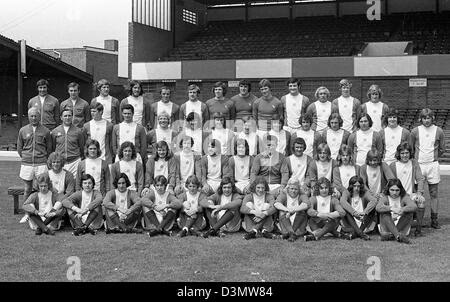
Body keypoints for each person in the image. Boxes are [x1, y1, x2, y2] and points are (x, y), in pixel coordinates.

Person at [410, 108, 445, 229]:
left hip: (432, 165)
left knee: (434, 193)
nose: (426, 120)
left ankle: (434, 219)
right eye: (424, 118)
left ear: (432, 118)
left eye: (429, 118)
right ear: (420, 119)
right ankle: (415, 218)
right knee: (416, 193)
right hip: (418, 164)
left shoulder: (439, 131)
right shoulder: (415, 131)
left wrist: (434, 158)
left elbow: (442, 149)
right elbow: (411, 148)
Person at [390, 142, 426, 236]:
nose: (405, 155)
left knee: (421, 201)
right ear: (398, 154)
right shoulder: (393, 165)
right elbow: (391, 184)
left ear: (410, 153)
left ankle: (418, 229)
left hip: (411, 194)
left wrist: (419, 193)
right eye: (402, 153)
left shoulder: (414, 163)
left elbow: (420, 178)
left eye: (407, 153)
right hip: (398, 195)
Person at [17, 108, 52, 200]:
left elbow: (49, 148)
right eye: (31, 116)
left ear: (39, 117)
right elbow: (19, 148)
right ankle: (27, 212)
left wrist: (43, 158)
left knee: (41, 188)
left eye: (35, 116)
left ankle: (41, 210)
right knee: (27, 189)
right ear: (28, 117)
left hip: (41, 163)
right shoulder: (23, 130)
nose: (34, 118)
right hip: (27, 164)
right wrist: (25, 157)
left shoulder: (46, 131)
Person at [376, 179, 417, 244]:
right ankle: (398, 236)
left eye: (397, 190)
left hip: (401, 226)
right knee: (384, 213)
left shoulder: (404, 197)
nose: (394, 193)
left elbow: (414, 206)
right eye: (392, 190)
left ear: (400, 190)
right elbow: (378, 207)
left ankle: (392, 236)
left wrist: (402, 209)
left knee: (409, 213)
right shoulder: (384, 197)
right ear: (388, 189)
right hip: (387, 225)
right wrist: (391, 208)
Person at [304, 177, 346, 241]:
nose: (324, 190)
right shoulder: (313, 198)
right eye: (321, 188)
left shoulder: (333, 199)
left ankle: (317, 235)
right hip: (317, 223)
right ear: (318, 189)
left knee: (333, 221)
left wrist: (328, 215)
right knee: (312, 220)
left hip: (329, 222)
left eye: (326, 188)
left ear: (329, 188)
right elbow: (309, 211)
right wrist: (319, 214)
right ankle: (334, 233)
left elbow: (342, 212)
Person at [339, 176, 377, 240]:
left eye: (358, 186)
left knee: (372, 210)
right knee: (345, 210)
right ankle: (361, 233)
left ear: (361, 186)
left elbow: (374, 200)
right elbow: (342, 202)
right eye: (354, 186)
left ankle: (356, 233)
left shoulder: (365, 193)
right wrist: (354, 213)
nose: (356, 188)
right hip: (351, 221)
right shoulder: (346, 192)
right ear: (351, 186)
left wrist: (365, 212)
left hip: (363, 220)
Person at [51, 109, 85, 177]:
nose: (67, 118)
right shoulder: (55, 131)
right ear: (61, 117)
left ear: (72, 117)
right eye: (65, 116)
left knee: (75, 184)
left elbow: (82, 146)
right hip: (60, 162)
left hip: (75, 162)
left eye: (69, 116)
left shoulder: (78, 131)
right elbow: (53, 146)